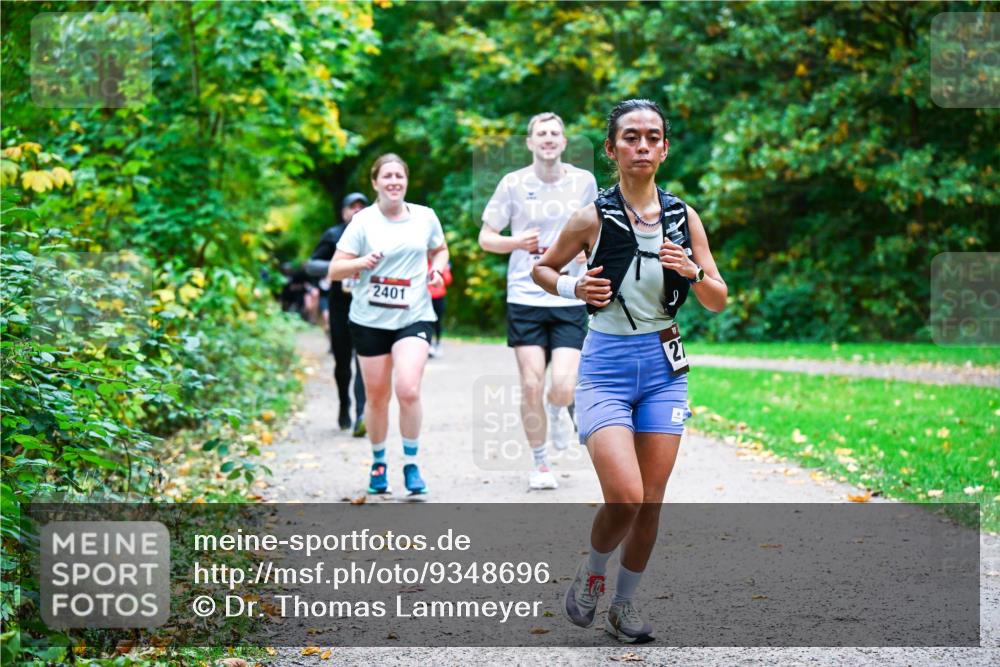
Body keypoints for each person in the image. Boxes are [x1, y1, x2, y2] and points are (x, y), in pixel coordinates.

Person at [532, 99, 727, 643]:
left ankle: (623, 606)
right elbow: (542, 268)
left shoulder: (684, 217)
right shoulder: (591, 216)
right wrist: (573, 287)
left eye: (652, 138)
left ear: (665, 148)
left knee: (652, 501)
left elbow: (717, 298)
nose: (642, 146)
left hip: (665, 369)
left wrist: (692, 271)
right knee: (626, 495)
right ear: (612, 149)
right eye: (631, 138)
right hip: (606, 368)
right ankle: (592, 574)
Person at [479, 112, 598, 491]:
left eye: (554, 133)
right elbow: (486, 238)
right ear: (530, 143)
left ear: (564, 142)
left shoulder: (583, 182)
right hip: (525, 295)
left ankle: (559, 407)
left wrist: (587, 253)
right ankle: (540, 461)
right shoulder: (513, 183)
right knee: (531, 383)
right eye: (540, 134)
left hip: (569, 294)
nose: (548, 139)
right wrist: (517, 243)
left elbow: (601, 232)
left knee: (563, 384)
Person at [328, 154, 449, 496]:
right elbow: (335, 270)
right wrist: (362, 262)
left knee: (408, 389)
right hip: (369, 320)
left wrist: (437, 268)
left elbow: (440, 250)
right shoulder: (363, 222)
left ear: (405, 181)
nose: (394, 181)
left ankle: (411, 463)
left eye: (399, 175)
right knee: (377, 398)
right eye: (387, 176)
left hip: (414, 315)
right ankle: (379, 461)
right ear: (375, 182)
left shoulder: (425, 217)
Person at [306, 192, 370, 436]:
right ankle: (345, 403)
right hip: (340, 305)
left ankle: (361, 414)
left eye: (361, 207)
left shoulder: (375, 234)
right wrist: (340, 267)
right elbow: (312, 264)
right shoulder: (333, 235)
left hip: (367, 304)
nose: (356, 211)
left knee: (364, 359)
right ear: (343, 212)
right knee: (343, 362)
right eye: (351, 207)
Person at [427, 260, 452, 358]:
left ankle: (438, 343)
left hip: (439, 296)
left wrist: (445, 270)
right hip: (426, 297)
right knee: (427, 322)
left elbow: (448, 280)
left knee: (437, 321)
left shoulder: (441, 263)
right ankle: (428, 345)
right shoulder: (421, 261)